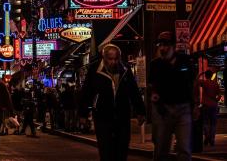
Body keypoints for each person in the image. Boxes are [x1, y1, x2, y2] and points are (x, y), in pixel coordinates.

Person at [79, 44, 145, 161]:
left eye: (116, 59)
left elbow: (133, 90)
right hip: (102, 115)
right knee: (106, 150)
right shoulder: (94, 69)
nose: (113, 62)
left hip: (122, 115)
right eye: (110, 59)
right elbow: (87, 91)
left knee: (122, 149)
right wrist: (83, 114)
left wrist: (140, 111)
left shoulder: (125, 69)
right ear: (104, 58)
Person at [149, 31, 196, 161]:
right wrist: (155, 101)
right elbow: (152, 87)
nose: (163, 48)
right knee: (161, 149)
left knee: (184, 148)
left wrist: (195, 105)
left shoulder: (185, 61)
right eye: (160, 45)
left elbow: (192, 83)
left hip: (183, 109)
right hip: (163, 110)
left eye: (166, 45)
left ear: (174, 46)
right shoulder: (155, 65)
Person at [200, 70, 221, 146]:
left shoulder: (204, 83)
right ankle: (212, 139)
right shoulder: (215, 84)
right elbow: (219, 95)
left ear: (205, 75)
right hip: (213, 105)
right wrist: (216, 100)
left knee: (205, 122)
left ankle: (207, 137)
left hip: (205, 105)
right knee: (213, 123)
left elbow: (196, 81)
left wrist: (200, 74)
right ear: (212, 75)